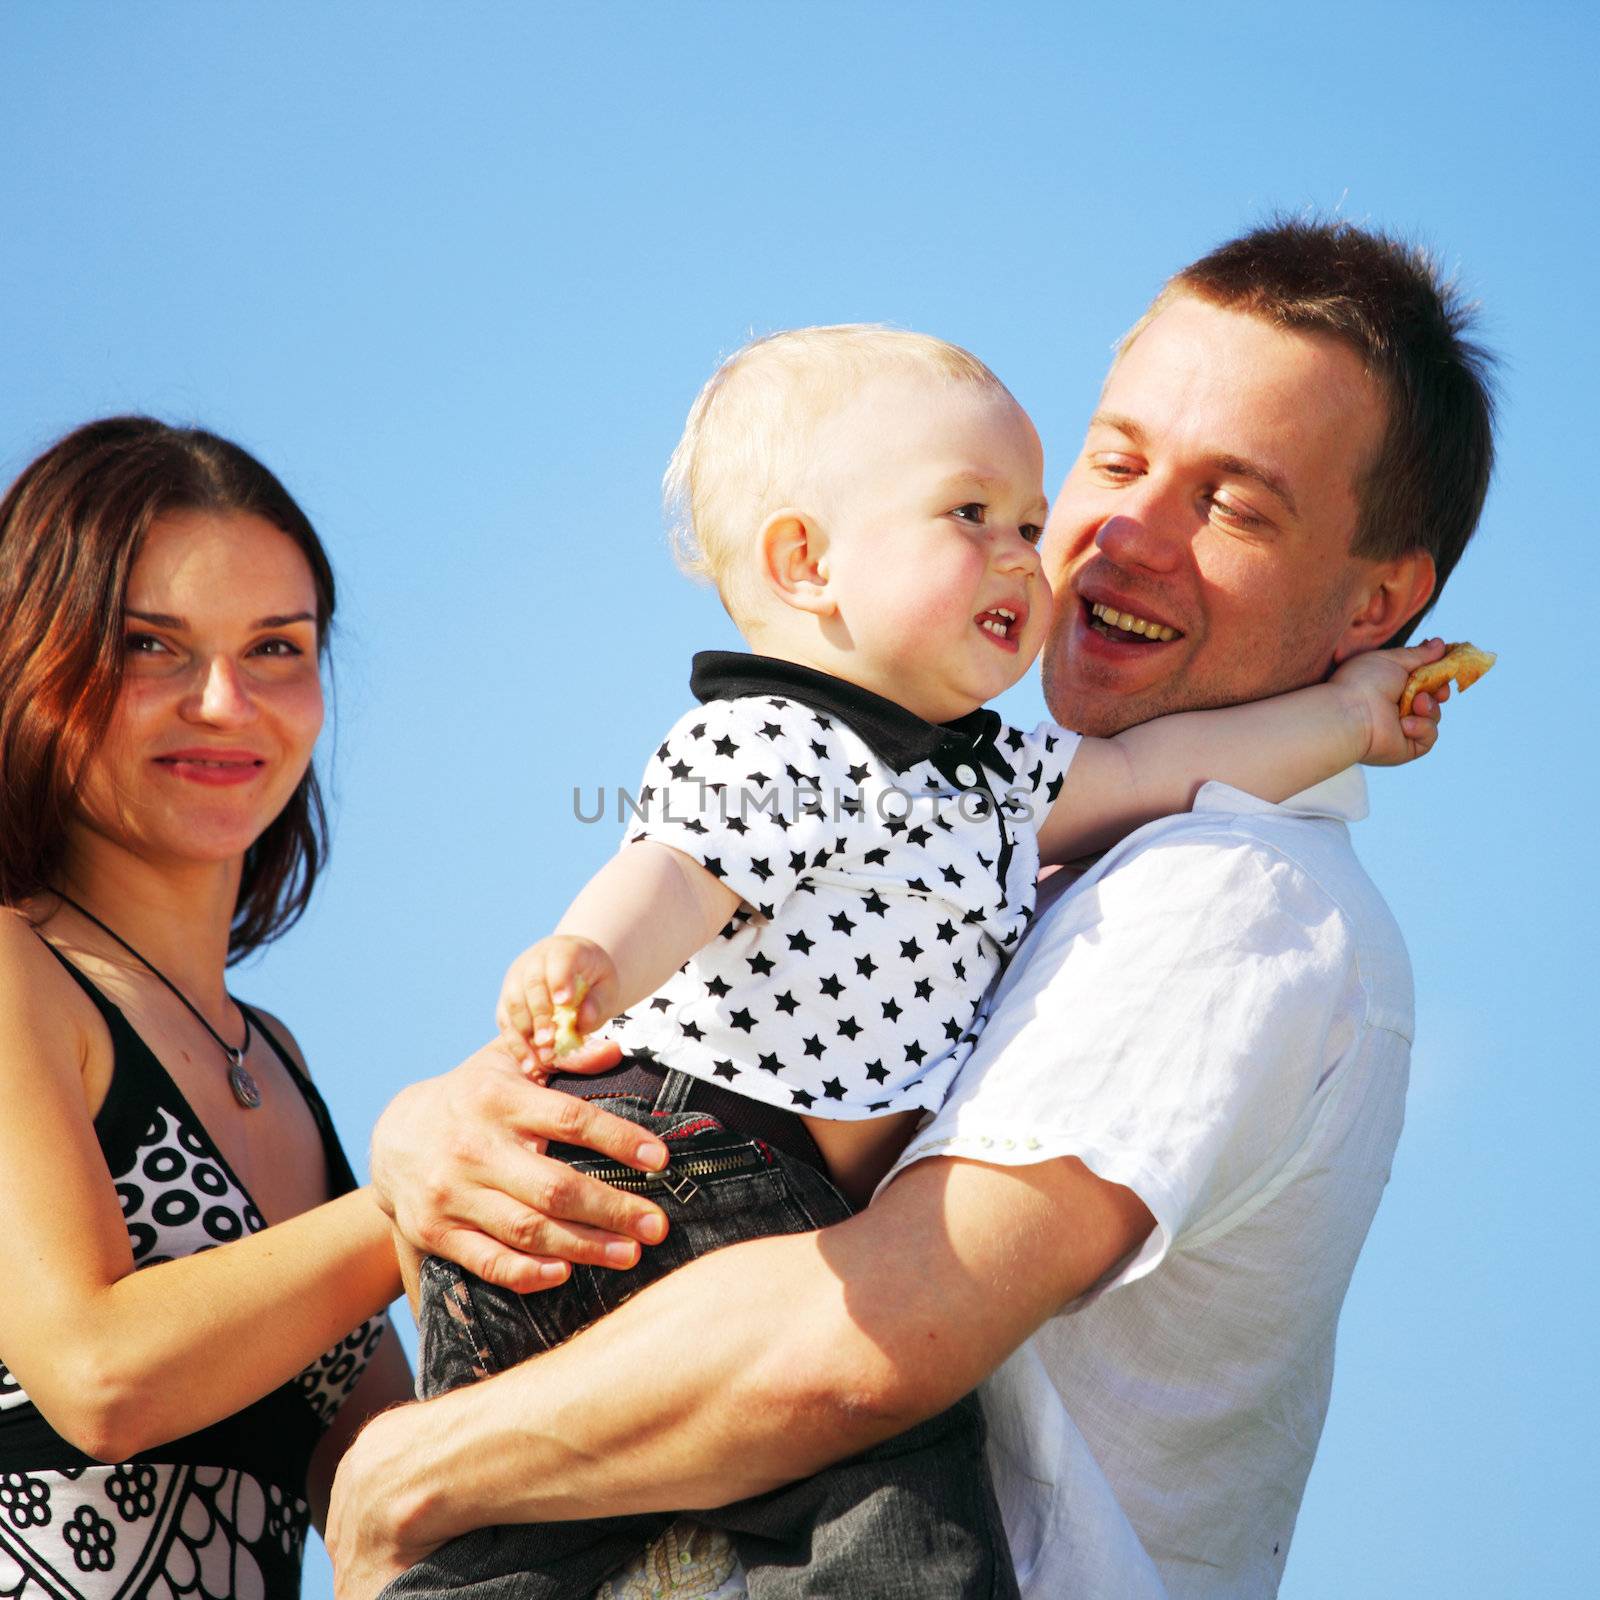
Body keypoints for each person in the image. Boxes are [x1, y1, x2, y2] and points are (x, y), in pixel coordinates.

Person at [328, 218, 1495, 1600]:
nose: (1117, 532)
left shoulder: (1236, 897)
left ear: (1380, 602)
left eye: (1235, 504)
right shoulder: (1018, 825)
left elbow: (872, 1334)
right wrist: (423, 1130)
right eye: (1114, 461)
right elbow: (667, 980)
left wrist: (417, 1470)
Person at [0, 418, 457, 1599]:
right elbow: (98, 1376)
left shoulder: (278, 1058)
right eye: (152, 644)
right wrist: (421, 1198)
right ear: (30, 656)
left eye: (276, 647)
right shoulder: (11, 973)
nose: (224, 702)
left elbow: (396, 1485)